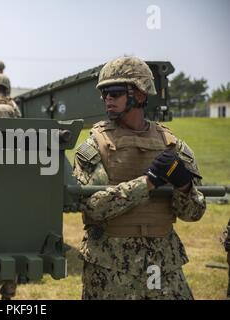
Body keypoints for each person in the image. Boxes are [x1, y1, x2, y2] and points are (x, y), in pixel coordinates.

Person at [72, 56, 206, 300]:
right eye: (104, 94)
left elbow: (194, 213)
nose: (107, 99)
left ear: (141, 95)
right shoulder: (96, 145)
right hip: (110, 268)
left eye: (114, 92)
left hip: (163, 265)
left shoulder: (171, 145)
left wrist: (185, 186)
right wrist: (148, 182)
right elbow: (94, 207)